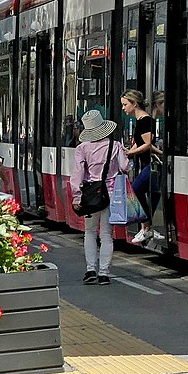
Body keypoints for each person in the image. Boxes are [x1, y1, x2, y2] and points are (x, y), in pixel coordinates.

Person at [70, 109, 129, 285]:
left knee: (89, 232)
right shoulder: (115, 145)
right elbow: (125, 167)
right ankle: (104, 273)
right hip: (109, 195)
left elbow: (78, 174)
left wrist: (77, 196)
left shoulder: (82, 148)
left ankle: (90, 270)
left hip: (90, 196)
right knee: (106, 234)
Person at [121, 89, 163, 246]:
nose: (123, 108)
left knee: (135, 191)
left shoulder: (146, 121)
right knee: (147, 194)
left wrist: (131, 153)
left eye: (125, 104)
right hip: (146, 164)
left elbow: (147, 145)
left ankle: (146, 227)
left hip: (151, 164)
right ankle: (147, 228)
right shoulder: (140, 121)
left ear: (134, 103)